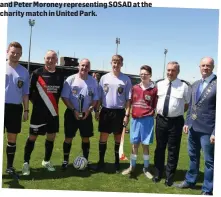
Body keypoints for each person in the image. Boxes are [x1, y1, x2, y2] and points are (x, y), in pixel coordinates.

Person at [175, 57, 216, 195]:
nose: (205, 68)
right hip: (193, 127)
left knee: (209, 161)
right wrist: (187, 122)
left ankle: (207, 189)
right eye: (203, 65)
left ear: (213, 67)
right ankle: (190, 180)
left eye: (208, 65)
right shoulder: (196, 84)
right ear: (199, 67)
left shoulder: (217, 84)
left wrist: (216, 132)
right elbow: (192, 106)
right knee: (193, 156)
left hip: (208, 129)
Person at [22, 50, 64, 175]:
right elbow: (29, 92)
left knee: (51, 137)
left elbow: (61, 93)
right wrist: (37, 105)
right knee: (32, 137)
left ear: (56, 60)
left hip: (53, 113)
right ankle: (26, 163)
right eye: (48, 58)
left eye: (52, 58)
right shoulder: (36, 73)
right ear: (44, 59)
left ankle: (46, 161)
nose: (50, 60)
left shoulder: (60, 75)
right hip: (38, 114)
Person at [152, 61, 191, 186]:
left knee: (173, 150)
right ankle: (158, 173)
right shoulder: (159, 84)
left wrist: (175, 112)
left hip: (176, 122)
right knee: (159, 148)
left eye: (173, 70)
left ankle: (169, 176)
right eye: (168, 70)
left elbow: (187, 104)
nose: (170, 72)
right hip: (160, 120)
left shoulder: (184, 86)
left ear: (178, 71)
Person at [93, 54, 132, 173]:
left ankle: (116, 163)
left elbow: (128, 100)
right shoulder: (104, 78)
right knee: (103, 136)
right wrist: (97, 110)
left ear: (122, 64)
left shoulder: (126, 79)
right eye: (114, 62)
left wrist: (126, 115)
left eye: (118, 62)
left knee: (118, 138)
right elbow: (99, 96)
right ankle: (101, 162)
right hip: (105, 111)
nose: (116, 64)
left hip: (119, 112)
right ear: (111, 63)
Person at [61, 58, 99, 170]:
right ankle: (65, 160)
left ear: (89, 68)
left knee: (86, 138)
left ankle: (85, 160)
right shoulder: (71, 79)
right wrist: (73, 110)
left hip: (86, 114)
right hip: (71, 113)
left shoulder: (93, 81)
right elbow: (65, 97)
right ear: (78, 66)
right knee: (68, 137)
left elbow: (95, 99)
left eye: (87, 66)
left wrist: (90, 109)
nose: (84, 68)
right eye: (82, 65)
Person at [121, 65, 158, 179]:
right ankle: (132, 167)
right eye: (141, 74)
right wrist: (127, 115)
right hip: (135, 119)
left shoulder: (154, 89)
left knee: (145, 145)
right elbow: (129, 102)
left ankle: (146, 168)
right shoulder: (135, 87)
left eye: (145, 74)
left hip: (147, 120)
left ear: (150, 75)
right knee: (134, 144)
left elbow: (156, 105)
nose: (143, 76)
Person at [4, 41, 29, 177]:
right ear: (7, 51)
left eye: (18, 53)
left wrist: (26, 110)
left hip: (15, 108)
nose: (15, 55)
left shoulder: (24, 71)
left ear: (21, 55)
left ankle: (9, 167)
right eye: (13, 52)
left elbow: (25, 93)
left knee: (12, 139)